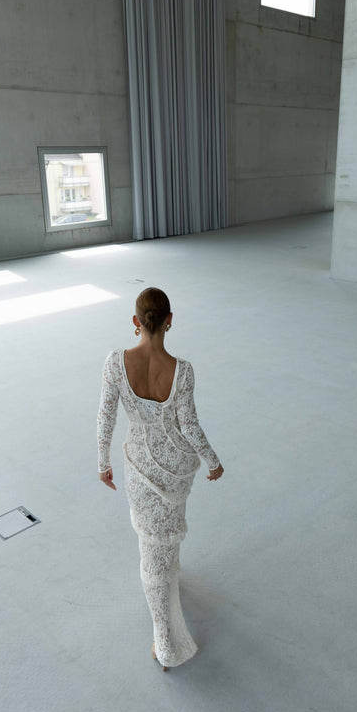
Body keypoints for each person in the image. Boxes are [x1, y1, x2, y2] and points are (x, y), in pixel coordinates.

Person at [97, 287, 224, 671]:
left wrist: (103, 462)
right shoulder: (182, 371)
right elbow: (189, 425)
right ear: (170, 321)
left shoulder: (115, 363)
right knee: (165, 533)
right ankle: (165, 628)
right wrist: (212, 461)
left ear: (136, 322)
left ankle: (164, 639)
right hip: (176, 468)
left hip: (140, 467)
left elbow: (106, 418)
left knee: (150, 545)